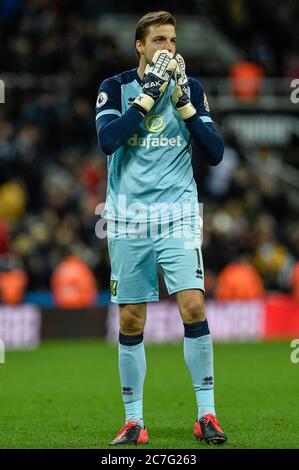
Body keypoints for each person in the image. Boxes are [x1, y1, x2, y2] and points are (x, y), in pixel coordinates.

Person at [95, 11, 227, 446]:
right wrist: (146, 99)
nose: (166, 48)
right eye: (158, 41)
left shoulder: (192, 90)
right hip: (129, 217)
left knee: (192, 306)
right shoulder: (114, 87)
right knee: (132, 318)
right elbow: (108, 139)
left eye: (171, 40)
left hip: (178, 215)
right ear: (140, 46)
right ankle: (134, 421)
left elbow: (214, 152)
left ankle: (206, 415)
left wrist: (186, 105)